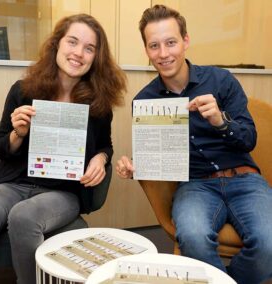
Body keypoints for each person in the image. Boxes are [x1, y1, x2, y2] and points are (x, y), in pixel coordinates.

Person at [116, 5, 272, 284]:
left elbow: (249, 138)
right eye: (154, 46)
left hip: (245, 180)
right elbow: (157, 159)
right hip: (195, 185)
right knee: (192, 237)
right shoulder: (145, 100)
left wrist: (220, 121)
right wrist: (134, 166)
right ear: (147, 50)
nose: (164, 54)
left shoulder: (221, 80)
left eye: (171, 42)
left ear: (185, 41)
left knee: (269, 243)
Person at [0, 14, 126, 284]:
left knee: (24, 216)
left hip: (63, 191)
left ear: (95, 57)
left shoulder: (98, 103)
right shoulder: (22, 90)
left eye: (89, 48)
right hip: (14, 183)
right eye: (72, 42)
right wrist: (18, 133)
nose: (78, 53)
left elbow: (105, 145)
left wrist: (101, 159)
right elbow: (0, 147)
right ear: (57, 45)